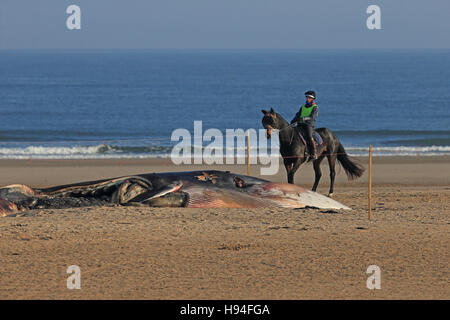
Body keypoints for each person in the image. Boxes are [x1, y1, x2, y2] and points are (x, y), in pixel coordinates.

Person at [290, 90, 319, 160]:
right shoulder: (302, 107)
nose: (307, 99)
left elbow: (312, 117)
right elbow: (298, 115)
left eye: (309, 98)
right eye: (307, 97)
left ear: (313, 99)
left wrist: (304, 119)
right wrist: (293, 120)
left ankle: (314, 153)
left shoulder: (315, 107)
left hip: (309, 125)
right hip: (300, 124)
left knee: (309, 136)